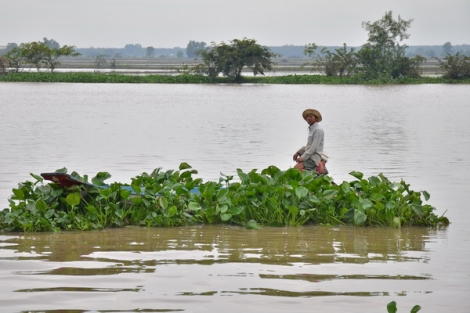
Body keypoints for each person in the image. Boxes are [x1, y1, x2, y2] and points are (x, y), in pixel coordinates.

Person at [293, 109, 328, 174]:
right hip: (309, 155)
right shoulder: (312, 128)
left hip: (313, 157)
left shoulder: (318, 130)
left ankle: (315, 176)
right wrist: (298, 152)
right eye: (307, 116)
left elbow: (314, 148)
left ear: (316, 119)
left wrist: (302, 158)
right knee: (296, 169)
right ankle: (312, 174)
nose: (308, 118)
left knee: (296, 169)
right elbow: (309, 145)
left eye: (311, 116)